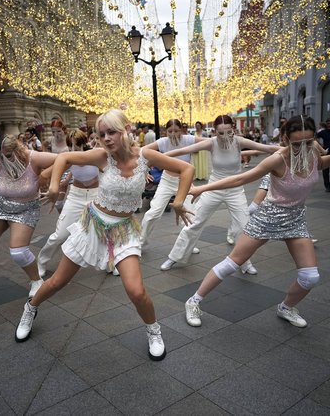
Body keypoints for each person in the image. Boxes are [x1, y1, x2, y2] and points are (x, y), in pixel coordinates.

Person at [14, 109, 194, 361]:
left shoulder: (145, 156)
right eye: (101, 134)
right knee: (57, 282)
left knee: (136, 291)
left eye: (112, 132)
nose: (106, 138)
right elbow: (64, 159)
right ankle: (30, 308)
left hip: (124, 230)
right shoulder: (101, 157)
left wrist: (179, 201)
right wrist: (55, 187)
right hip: (93, 225)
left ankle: (154, 330)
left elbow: (186, 170)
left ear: (127, 129)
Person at [183, 115, 330, 328]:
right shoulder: (278, 159)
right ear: (286, 139)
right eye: (297, 144)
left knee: (310, 277)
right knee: (232, 263)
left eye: (309, 142)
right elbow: (241, 178)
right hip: (268, 217)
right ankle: (193, 301)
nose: (303, 148)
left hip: (295, 219)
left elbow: (321, 164)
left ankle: (286, 307)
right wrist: (202, 188)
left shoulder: (313, 151)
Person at [159, 115, 278, 273]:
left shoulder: (239, 141)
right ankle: (175, 257)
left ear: (233, 129)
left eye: (229, 132)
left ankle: (244, 262)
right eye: (221, 133)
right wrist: (154, 158)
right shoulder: (211, 143)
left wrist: (296, 148)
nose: (225, 136)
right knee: (194, 222)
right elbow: (183, 150)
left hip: (235, 189)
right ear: (215, 132)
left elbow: (268, 148)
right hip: (214, 188)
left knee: (244, 226)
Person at [0, 134, 58, 299]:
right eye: (1, 154)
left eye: (7, 155)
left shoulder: (33, 158)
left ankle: (36, 280)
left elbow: (64, 160)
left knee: (18, 252)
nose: (3, 158)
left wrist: (45, 175)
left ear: (18, 149)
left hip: (26, 208)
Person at [37, 130, 100, 278]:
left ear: (83, 143)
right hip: (76, 196)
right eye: (69, 145)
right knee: (60, 235)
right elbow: (45, 174)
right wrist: (50, 190)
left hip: (96, 196)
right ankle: (41, 262)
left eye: (75, 145)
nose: (72, 149)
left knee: (104, 232)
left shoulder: (96, 154)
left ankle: (112, 262)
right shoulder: (68, 158)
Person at [140, 119, 205, 248]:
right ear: (165, 131)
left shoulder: (188, 139)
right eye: (170, 131)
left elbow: (210, 143)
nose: (173, 134)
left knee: (189, 214)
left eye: (176, 131)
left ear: (181, 130)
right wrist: (144, 170)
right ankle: (141, 241)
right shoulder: (162, 142)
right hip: (167, 180)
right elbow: (141, 152)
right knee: (153, 213)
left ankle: (187, 245)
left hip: (185, 182)